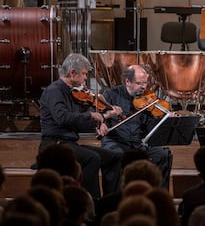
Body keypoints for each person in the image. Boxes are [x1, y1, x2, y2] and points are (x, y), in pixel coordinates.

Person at [38, 53, 123, 199]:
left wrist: (101, 120)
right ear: (72, 73)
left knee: (114, 156)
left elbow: (78, 121)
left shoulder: (73, 92)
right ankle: (91, 203)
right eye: (84, 74)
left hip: (69, 143)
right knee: (92, 158)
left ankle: (110, 201)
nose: (85, 78)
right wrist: (90, 115)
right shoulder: (55, 91)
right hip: (54, 145)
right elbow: (62, 118)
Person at [101, 64, 173, 189]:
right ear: (128, 81)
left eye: (145, 82)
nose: (144, 86)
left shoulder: (148, 99)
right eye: (139, 83)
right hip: (115, 142)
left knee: (163, 154)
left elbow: (151, 128)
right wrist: (103, 120)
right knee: (114, 154)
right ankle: (113, 199)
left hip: (138, 143)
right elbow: (98, 116)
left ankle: (159, 197)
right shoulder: (111, 95)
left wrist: (164, 120)